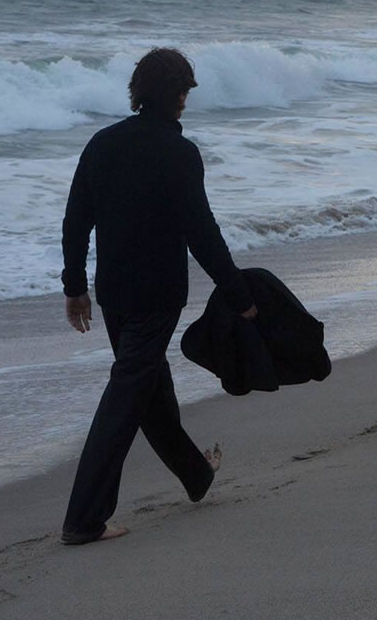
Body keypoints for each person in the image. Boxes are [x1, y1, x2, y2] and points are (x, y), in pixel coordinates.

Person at [59, 47, 257, 545]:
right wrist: (238, 293)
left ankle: (196, 475)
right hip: (158, 296)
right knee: (127, 394)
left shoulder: (102, 143)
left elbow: (75, 220)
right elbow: (202, 233)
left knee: (148, 389)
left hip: (113, 294)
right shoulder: (178, 152)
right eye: (186, 91)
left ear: (137, 90)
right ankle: (83, 519)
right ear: (179, 94)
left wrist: (75, 287)